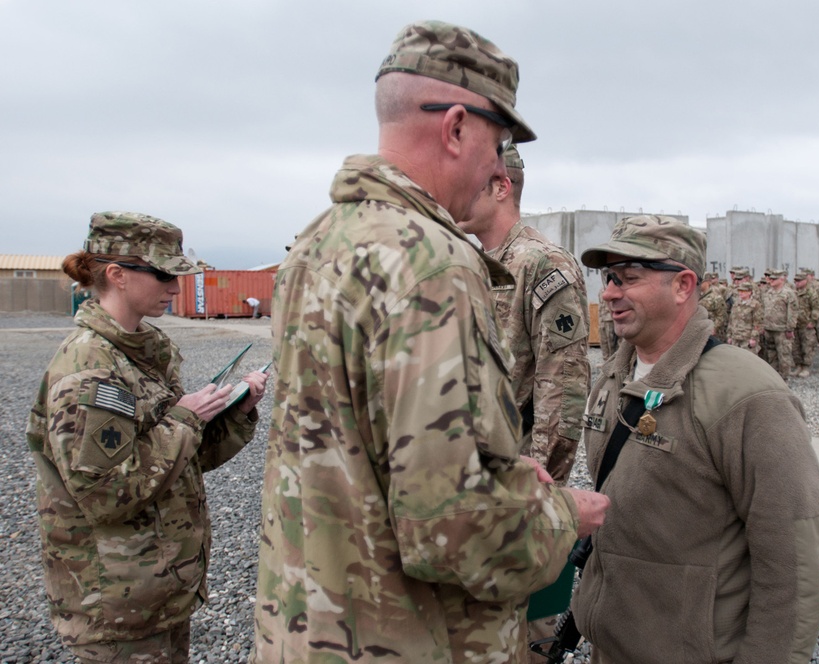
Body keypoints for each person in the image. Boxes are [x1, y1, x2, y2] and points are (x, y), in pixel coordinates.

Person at [252, 21, 609, 662]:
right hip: (404, 635)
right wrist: (562, 515)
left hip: (310, 624)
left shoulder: (315, 245)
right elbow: (450, 530)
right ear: (454, 128)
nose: (498, 169)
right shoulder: (435, 265)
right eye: (497, 145)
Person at [572, 215, 819, 663]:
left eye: (629, 278)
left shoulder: (746, 393)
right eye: (608, 278)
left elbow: (793, 558)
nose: (609, 293)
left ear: (683, 286)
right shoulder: (613, 376)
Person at [25, 211, 267, 663]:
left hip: (156, 591)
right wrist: (184, 420)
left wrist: (234, 412)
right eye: (162, 275)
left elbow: (180, 463)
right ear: (116, 275)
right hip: (117, 606)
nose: (175, 288)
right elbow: (107, 492)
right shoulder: (91, 370)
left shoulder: (139, 353)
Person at [458, 144, 590, 484]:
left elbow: (563, 383)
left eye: (468, 183)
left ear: (502, 187)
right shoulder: (476, 262)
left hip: (519, 469)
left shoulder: (542, 263)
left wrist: (542, 484)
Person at [761, 269, 798, 381]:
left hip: (782, 329)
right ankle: (774, 378)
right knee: (771, 354)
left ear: (781, 279)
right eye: (770, 278)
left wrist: (790, 328)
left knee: (784, 355)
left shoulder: (788, 293)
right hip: (769, 328)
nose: (771, 281)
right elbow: (764, 310)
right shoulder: (768, 292)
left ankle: (784, 378)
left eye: (774, 279)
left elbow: (793, 312)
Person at [792, 272, 819, 377]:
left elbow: (817, 308)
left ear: (805, 281)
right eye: (795, 281)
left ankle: (806, 367)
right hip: (795, 324)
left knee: (807, 346)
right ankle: (798, 365)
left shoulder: (811, 293)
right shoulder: (794, 292)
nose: (797, 283)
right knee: (796, 347)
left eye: (799, 281)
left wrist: (812, 321)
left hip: (806, 324)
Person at [726, 282, 762, 354]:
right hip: (735, 337)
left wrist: (753, 338)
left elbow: (757, 323)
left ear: (749, 292)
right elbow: (731, 320)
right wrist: (729, 336)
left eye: (743, 291)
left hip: (747, 338)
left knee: (749, 360)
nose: (740, 293)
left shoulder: (755, 305)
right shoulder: (736, 304)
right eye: (739, 291)